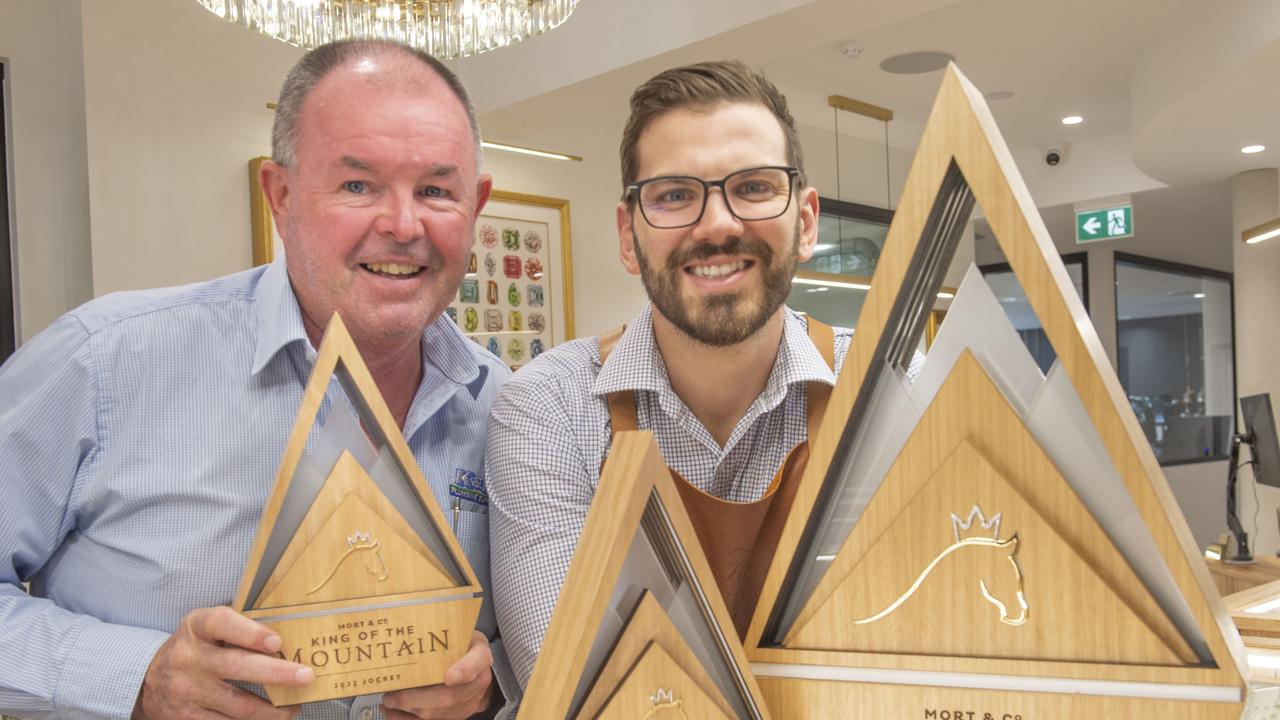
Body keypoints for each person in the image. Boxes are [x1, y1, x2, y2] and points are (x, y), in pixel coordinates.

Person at [0, 40, 516, 720]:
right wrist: (137, 678)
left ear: (475, 206)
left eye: (435, 191)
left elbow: (526, 632)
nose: (402, 224)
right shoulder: (104, 359)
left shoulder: (508, 406)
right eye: (357, 185)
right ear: (280, 195)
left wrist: (489, 685)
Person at [486, 61, 882, 697]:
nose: (718, 225)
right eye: (674, 195)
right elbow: (571, 690)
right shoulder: (548, 406)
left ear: (805, 221)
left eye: (753, 187)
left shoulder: (888, 391)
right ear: (628, 235)